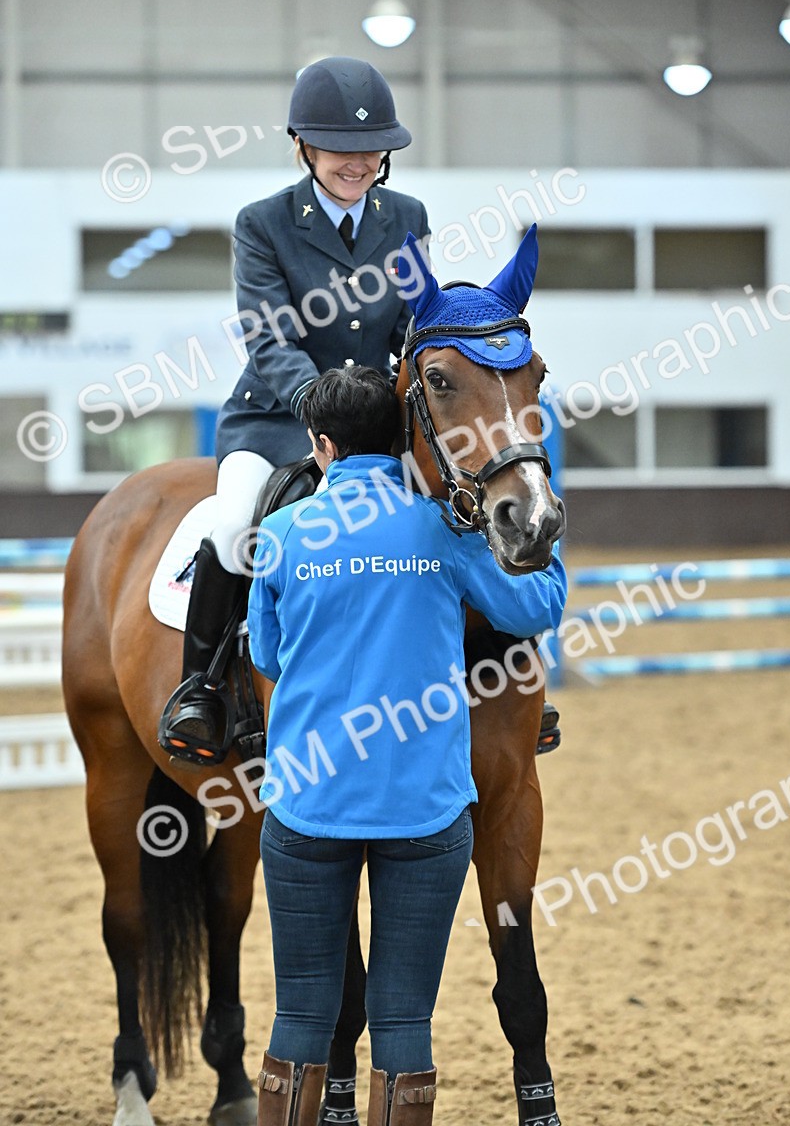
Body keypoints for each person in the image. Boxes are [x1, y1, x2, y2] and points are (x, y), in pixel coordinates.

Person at [246, 366, 567, 1126]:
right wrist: (546, 533)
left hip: (308, 807)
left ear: (322, 447)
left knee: (300, 1018)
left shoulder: (284, 532)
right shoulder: (437, 529)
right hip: (424, 813)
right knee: (402, 1021)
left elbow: (264, 653)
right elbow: (536, 605)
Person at [159, 56, 430, 762]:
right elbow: (268, 334)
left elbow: (413, 322)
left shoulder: (407, 217)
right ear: (305, 146)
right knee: (236, 522)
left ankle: (511, 674)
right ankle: (201, 690)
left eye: (373, 150)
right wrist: (322, 407)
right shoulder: (264, 223)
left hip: (379, 421)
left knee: (457, 505)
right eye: (341, 148)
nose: (359, 162)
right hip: (279, 416)